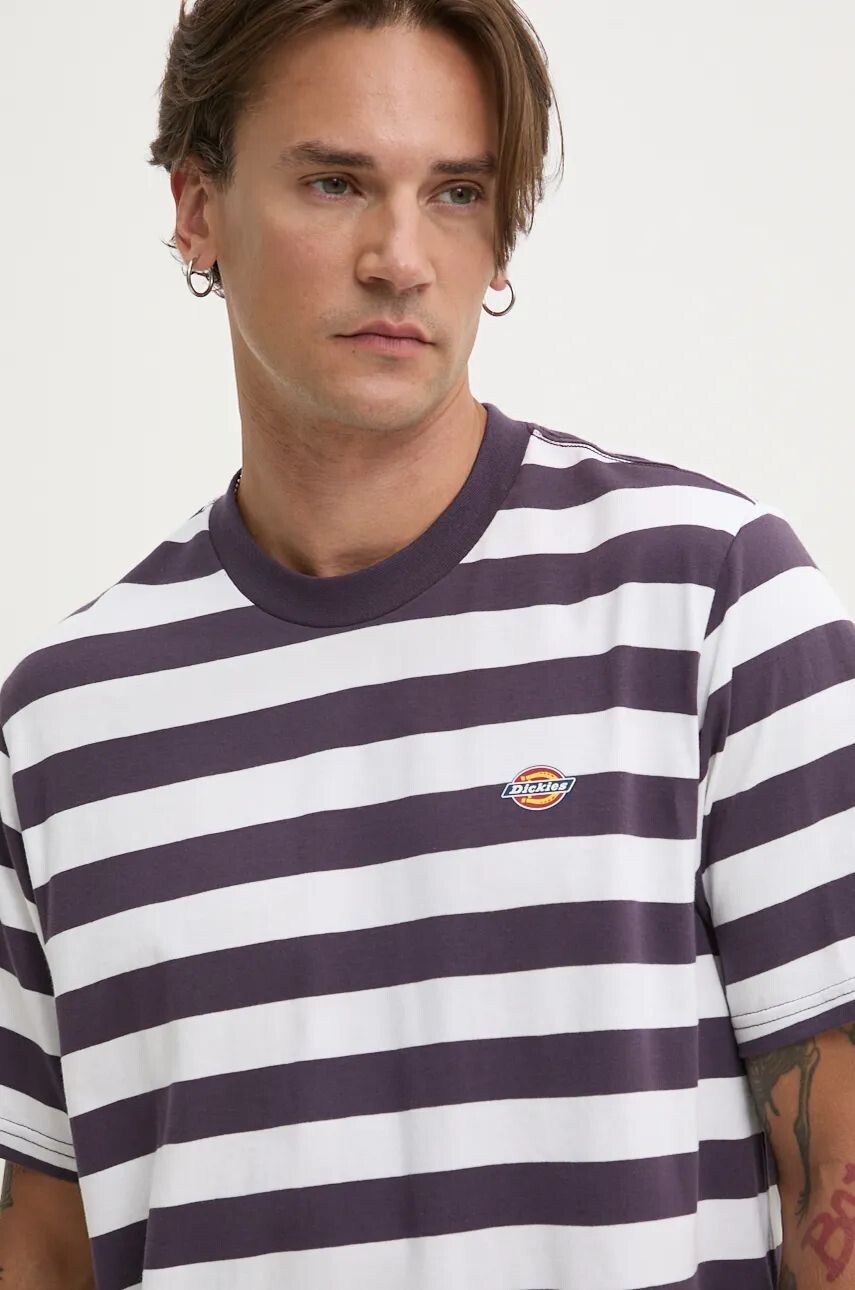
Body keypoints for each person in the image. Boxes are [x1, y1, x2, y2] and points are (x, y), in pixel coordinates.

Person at [1, 1, 854, 1287]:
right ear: (196, 208)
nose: (400, 259)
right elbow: (45, 1241)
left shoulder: (710, 601)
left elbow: (837, 1171)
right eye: (336, 182)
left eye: (456, 193)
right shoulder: (61, 726)